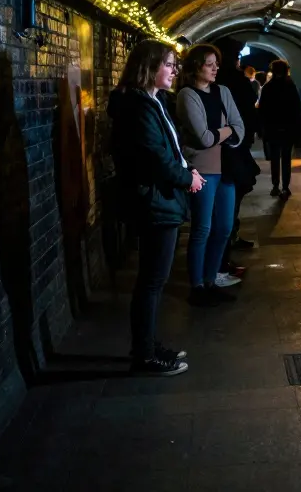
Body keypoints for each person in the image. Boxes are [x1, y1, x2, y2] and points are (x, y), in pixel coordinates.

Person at [107, 39, 203, 376]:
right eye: (168, 63)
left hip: (160, 198)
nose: (174, 70)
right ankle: (144, 355)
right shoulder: (137, 106)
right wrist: (185, 178)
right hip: (154, 201)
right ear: (148, 67)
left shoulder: (152, 101)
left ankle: (148, 345)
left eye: (175, 64)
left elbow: (168, 150)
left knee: (154, 280)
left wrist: (185, 171)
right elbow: (154, 157)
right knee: (152, 280)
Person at [175, 44, 245, 306]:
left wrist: (223, 132)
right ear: (196, 67)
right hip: (202, 169)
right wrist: (226, 131)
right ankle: (197, 287)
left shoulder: (223, 91)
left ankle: (211, 279)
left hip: (225, 167)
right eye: (209, 64)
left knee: (224, 227)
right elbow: (204, 138)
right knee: (202, 228)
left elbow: (240, 128)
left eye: (216, 63)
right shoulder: (187, 95)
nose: (216, 68)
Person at [217, 46, 262, 275]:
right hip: (230, 149)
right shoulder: (232, 80)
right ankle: (220, 261)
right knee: (227, 203)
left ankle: (226, 247)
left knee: (228, 202)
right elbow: (250, 100)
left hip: (230, 147)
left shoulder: (222, 82)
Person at [259, 59, 301, 197]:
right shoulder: (290, 86)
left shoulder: (267, 87)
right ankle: (285, 187)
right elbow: (297, 109)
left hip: (272, 128)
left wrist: (263, 129)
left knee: (275, 159)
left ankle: (275, 185)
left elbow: (263, 110)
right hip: (288, 128)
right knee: (286, 159)